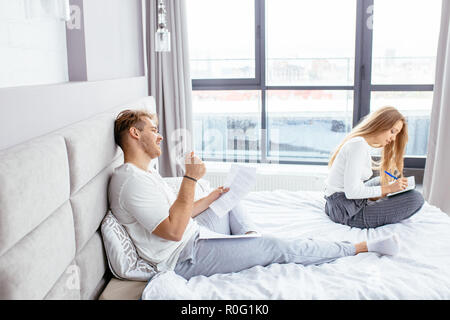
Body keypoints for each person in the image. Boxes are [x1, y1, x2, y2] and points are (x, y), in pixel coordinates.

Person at [109, 109, 400, 280]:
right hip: (183, 255)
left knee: (229, 198)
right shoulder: (130, 182)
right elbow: (173, 231)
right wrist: (188, 178)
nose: (159, 136)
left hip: (193, 232)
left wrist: (212, 198)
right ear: (135, 134)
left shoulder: (145, 174)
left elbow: (178, 214)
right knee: (274, 246)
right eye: (154, 130)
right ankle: (360, 247)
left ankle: (247, 236)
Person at [324, 106, 424, 229]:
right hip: (345, 211)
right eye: (393, 132)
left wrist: (388, 187)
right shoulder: (358, 146)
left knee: (382, 180)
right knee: (416, 198)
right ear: (380, 124)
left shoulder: (359, 143)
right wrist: (389, 189)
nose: (393, 139)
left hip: (338, 203)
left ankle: (380, 195)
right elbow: (352, 192)